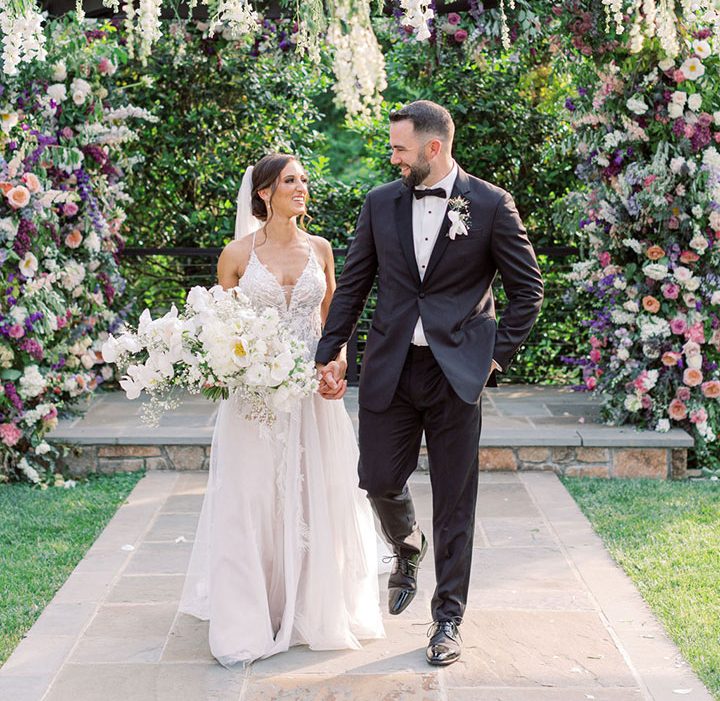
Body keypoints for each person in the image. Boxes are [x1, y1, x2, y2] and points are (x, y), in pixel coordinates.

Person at [316, 100, 544, 666]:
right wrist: (328, 351)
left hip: (456, 375)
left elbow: (528, 291)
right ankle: (406, 543)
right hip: (391, 366)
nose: (392, 157)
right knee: (376, 478)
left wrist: (494, 359)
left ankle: (447, 620)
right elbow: (353, 285)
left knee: (454, 501)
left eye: (400, 148)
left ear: (433, 148)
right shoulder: (379, 203)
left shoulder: (490, 205)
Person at [179, 153, 385, 667]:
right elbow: (218, 332)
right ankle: (252, 614)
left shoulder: (321, 249)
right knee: (253, 498)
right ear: (265, 192)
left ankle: (311, 608)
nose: (302, 187)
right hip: (255, 402)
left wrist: (336, 367)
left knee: (317, 495)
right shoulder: (236, 255)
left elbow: (334, 323)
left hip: (313, 399)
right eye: (291, 180)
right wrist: (226, 367)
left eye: (305, 180)